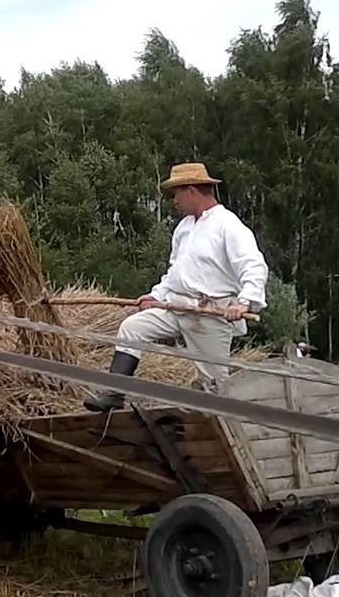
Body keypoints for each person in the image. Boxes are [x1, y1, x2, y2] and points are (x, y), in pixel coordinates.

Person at [83, 162, 269, 412]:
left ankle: (233, 423)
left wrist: (244, 302)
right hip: (176, 306)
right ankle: (114, 394)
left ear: (191, 190)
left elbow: (254, 265)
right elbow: (175, 273)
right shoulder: (184, 228)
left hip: (208, 314)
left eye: (176, 193)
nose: (175, 201)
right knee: (133, 328)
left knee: (214, 382)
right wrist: (155, 295)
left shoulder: (228, 224)